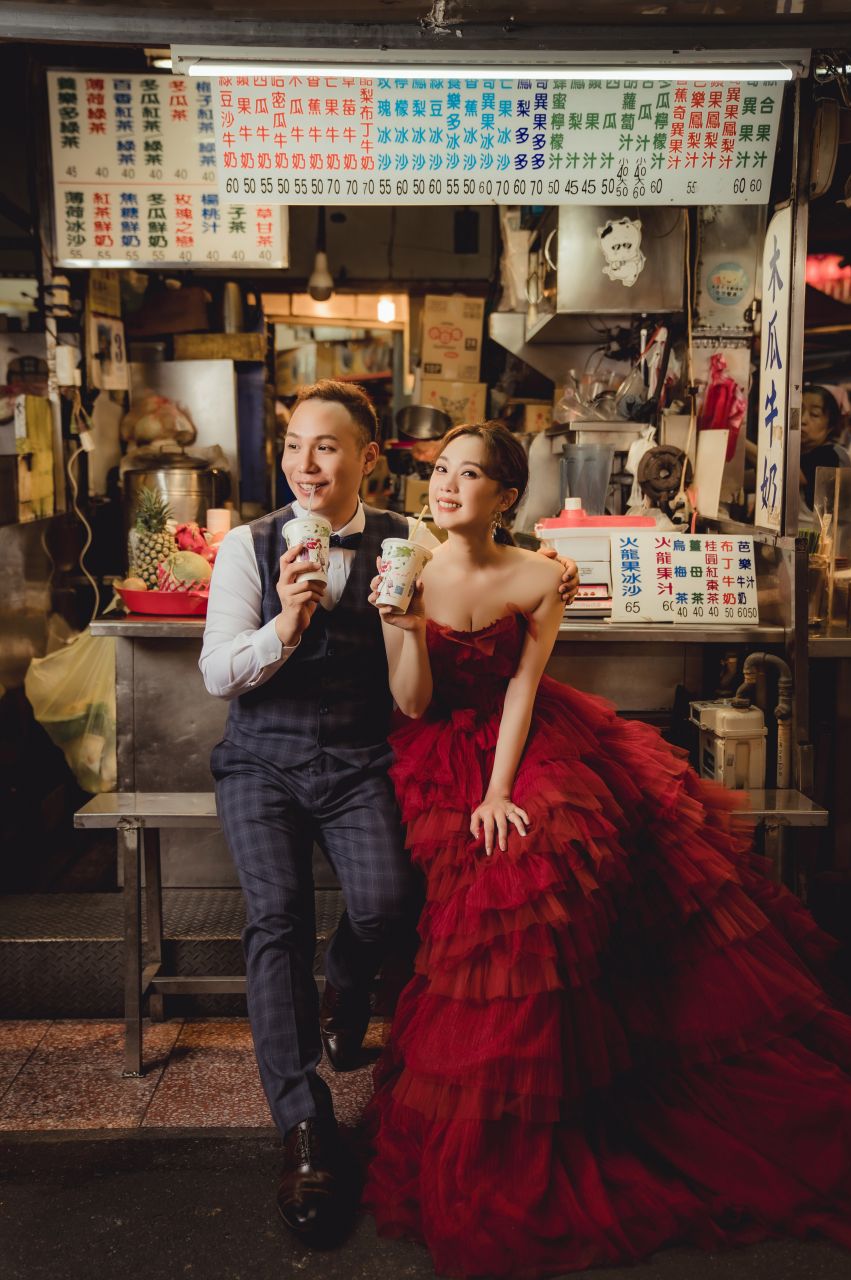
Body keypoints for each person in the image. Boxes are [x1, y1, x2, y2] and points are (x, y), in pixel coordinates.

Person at [364, 420, 851, 1278]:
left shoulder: (541, 574)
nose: (445, 486)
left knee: (546, 865)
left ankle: (576, 1092)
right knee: (489, 914)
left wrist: (498, 791)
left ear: (503, 496)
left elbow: (522, 688)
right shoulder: (409, 568)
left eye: (468, 474)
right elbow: (411, 705)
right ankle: (508, 1111)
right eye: (440, 470)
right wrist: (401, 625)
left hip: (525, 742)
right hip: (437, 747)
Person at [199, 382, 579, 1247]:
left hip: (362, 756)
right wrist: (284, 625)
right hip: (261, 759)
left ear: (368, 459)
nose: (304, 464)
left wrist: (552, 561)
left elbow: (480, 556)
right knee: (275, 920)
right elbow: (217, 674)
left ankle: (344, 983)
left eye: (326, 447)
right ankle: (304, 1125)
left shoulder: (406, 538)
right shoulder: (247, 547)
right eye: (293, 446)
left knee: (386, 906)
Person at [800, 384, 851, 515]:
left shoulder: (830, 454)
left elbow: (796, 476)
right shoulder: (800, 454)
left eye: (814, 414)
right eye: (798, 411)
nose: (802, 420)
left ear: (831, 424)